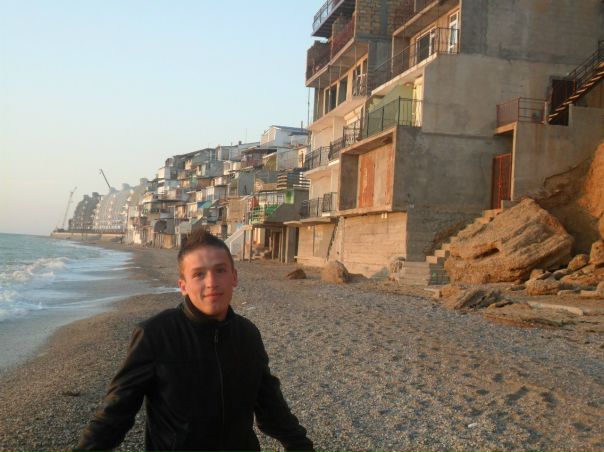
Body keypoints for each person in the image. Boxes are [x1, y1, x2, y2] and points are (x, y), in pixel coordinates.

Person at [74, 229, 314, 452]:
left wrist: (302, 446)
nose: (211, 282)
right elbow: (115, 414)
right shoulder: (156, 334)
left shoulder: (247, 334)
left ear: (234, 277)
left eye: (220, 270)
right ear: (183, 286)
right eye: (199, 274)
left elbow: (272, 409)